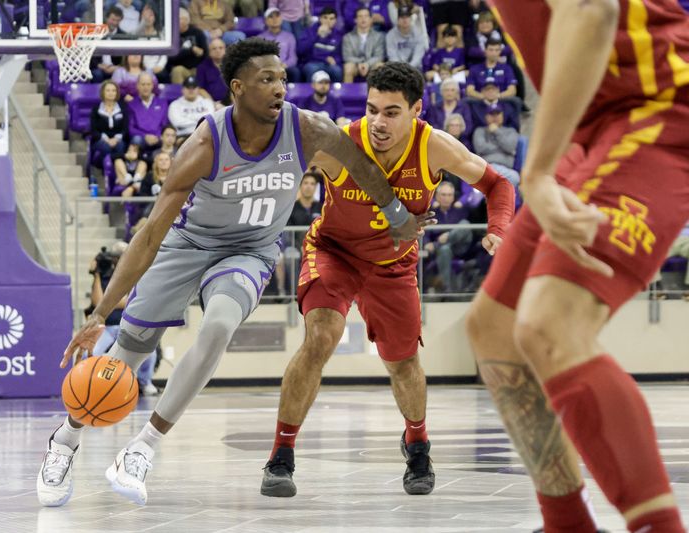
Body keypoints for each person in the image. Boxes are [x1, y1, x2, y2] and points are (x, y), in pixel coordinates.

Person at [36, 38, 423, 508]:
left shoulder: (309, 131)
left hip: (250, 252)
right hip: (189, 245)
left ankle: (141, 449)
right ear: (237, 88)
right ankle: (65, 440)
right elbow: (151, 232)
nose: (280, 87)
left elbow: (361, 165)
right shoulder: (204, 144)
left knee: (218, 325)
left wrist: (396, 212)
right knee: (124, 357)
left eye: (282, 78)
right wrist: (100, 312)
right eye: (267, 79)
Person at [464, 1, 689, 532]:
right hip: (593, 121)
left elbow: (591, 8)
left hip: (655, 104)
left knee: (551, 324)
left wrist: (537, 172)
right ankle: (566, 524)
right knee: (495, 328)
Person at [260, 62, 515, 498]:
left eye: (392, 112)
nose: (378, 121)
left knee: (402, 363)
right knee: (321, 336)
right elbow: (269, 158)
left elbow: (499, 185)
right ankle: (281, 455)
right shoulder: (339, 142)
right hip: (334, 253)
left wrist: (499, 228)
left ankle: (417, 444)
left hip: (394, 264)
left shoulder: (435, 147)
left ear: (417, 109)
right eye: (372, 108)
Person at [88, 242, 158, 396]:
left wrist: (111, 301)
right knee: (93, 351)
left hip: (128, 325)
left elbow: (131, 301)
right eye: (115, 258)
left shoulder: (138, 274)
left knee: (150, 352)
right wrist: (97, 274)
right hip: (106, 327)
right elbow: (98, 302)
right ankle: (93, 384)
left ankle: (145, 383)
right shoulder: (106, 277)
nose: (116, 261)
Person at [471, 104, 520, 189]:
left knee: (515, 178)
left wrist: (496, 131)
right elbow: (480, 148)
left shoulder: (511, 131)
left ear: (502, 116)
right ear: (486, 117)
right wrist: (501, 147)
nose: (495, 117)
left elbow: (510, 147)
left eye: (497, 114)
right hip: (486, 168)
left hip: (506, 170)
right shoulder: (480, 131)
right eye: (491, 114)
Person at [127, 72, 168, 158]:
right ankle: (135, 168)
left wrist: (157, 136)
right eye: (143, 84)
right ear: (137, 86)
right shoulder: (131, 104)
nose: (146, 87)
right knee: (136, 139)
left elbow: (164, 125)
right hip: (141, 139)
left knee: (168, 138)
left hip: (158, 137)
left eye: (148, 84)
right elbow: (131, 128)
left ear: (152, 85)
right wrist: (145, 136)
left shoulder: (162, 103)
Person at [298, 7, 344, 83]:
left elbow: (341, 55)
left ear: (335, 21)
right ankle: (310, 94)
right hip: (312, 62)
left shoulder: (339, 35)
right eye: (325, 18)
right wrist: (317, 35)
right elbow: (301, 51)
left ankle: (336, 94)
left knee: (337, 71)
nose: (328, 21)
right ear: (320, 19)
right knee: (312, 69)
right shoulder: (309, 31)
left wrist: (335, 60)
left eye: (331, 18)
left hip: (329, 65)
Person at [342, 7, 386, 83]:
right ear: (355, 20)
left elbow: (379, 56)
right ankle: (348, 94)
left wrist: (367, 64)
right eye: (360, 16)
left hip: (372, 64)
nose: (363, 19)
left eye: (366, 16)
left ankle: (379, 94)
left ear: (371, 19)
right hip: (355, 65)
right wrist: (360, 63)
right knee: (348, 67)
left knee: (380, 66)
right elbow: (347, 57)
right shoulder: (347, 37)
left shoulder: (379, 36)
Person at [167, 76, 216, 144]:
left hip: (204, 135)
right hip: (183, 136)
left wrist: (188, 119)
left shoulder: (207, 103)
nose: (191, 90)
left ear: (198, 89)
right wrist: (198, 120)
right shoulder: (175, 105)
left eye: (193, 87)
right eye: (188, 87)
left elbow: (209, 121)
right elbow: (178, 123)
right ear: (183, 89)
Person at [257, 7, 301, 83]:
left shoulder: (289, 36)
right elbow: (259, 58)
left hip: (285, 67)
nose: (275, 19)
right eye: (271, 17)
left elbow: (293, 57)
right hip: (267, 67)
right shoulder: (260, 38)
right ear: (266, 21)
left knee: (295, 72)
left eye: (277, 16)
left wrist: (285, 65)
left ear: (281, 19)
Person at [167, 8, 208, 85]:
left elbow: (205, 53)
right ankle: (178, 95)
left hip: (197, 68)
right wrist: (191, 50)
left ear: (187, 21)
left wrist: (200, 52)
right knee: (177, 71)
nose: (175, 22)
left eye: (179, 19)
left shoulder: (197, 33)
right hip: (181, 68)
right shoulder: (171, 35)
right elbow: (171, 57)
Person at [90, 81, 129, 161]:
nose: (111, 93)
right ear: (103, 92)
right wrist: (107, 140)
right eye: (108, 90)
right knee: (105, 147)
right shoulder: (96, 109)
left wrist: (116, 139)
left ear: (117, 93)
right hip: (101, 139)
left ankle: (116, 169)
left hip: (118, 139)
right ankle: (105, 168)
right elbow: (94, 130)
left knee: (120, 146)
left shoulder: (123, 108)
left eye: (113, 90)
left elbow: (125, 128)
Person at [385, 6, 427, 72]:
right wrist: (401, 69)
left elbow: (418, 56)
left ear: (410, 19)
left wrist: (409, 68)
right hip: (397, 69)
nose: (405, 20)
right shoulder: (390, 35)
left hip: (415, 69)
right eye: (402, 17)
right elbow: (392, 56)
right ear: (398, 20)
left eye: (407, 17)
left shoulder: (418, 33)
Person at [195, 37, 230, 106]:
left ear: (225, 50)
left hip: (230, 104)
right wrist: (212, 104)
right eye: (214, 48)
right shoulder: (202, 67)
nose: (218, 51)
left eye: (220, 48)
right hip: (210, 104)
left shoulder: (232, 65)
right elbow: (200, 89)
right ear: (209, 52)